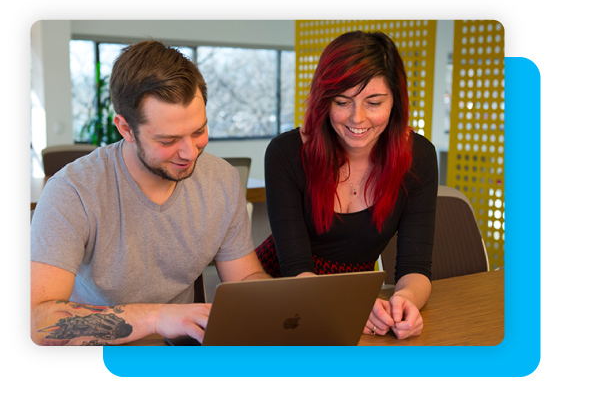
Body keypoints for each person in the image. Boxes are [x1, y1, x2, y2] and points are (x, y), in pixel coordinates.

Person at [30, 40, 271, 346]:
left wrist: (280, 307)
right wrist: (158, 317)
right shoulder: (72, 191)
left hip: (182, 355)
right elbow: (39, 322)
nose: (189, 153)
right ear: (125, 129)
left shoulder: (222, 180)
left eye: (198, 132)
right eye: (168, 139)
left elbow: (245, 279)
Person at [256, 31, 438, 340]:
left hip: (358, 301)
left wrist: (405, 301)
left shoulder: (418, 156)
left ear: (395, 100)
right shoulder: (286, 153)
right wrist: (351, 305)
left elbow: (415, 266)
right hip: (281, 290)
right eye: (342, 102)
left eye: (374, 102)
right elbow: (296, 267)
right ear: (324, 101)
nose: (358, 118)